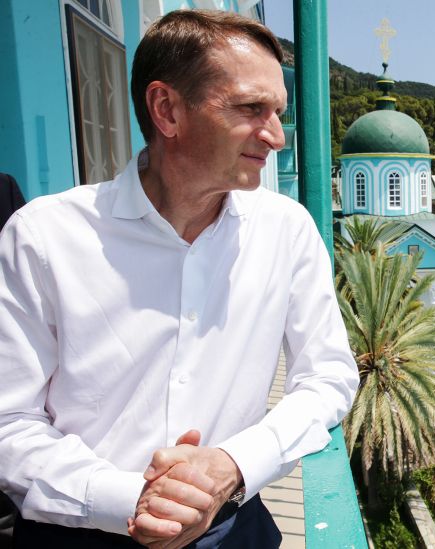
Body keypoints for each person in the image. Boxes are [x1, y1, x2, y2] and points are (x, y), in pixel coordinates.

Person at [0, 10, 358, 548]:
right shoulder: (43, 236)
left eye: (278, 111)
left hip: (235, 527)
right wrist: (129, 500)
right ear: (166, 109)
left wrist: (232, 466)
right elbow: (9, 422)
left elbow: (328, 377)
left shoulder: (286, 230)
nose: (278, 136)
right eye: (251, 108)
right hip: (76, 533)